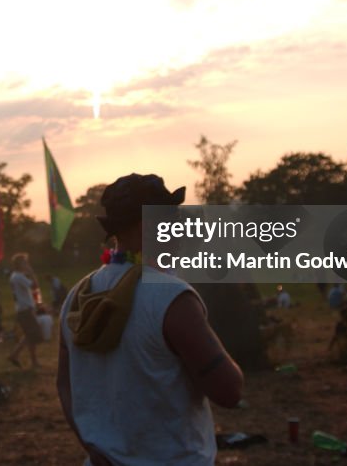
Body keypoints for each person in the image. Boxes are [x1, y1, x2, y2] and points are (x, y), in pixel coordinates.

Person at [58, 173, 243, 466]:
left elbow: (65, 385)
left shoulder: (78, 295)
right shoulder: (172, 297)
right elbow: (229, 391)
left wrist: (91, 441)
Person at [7, 253, 42, 369]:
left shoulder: (15, 276)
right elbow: (35, 286)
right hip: (25, 309)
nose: (27, 264)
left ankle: (15, 355)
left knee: (29, 335)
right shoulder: (19, 277)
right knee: (32, 334)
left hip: (23, 309)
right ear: (20, 264)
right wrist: (31, 272)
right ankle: (30, 360)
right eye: (25, 262)